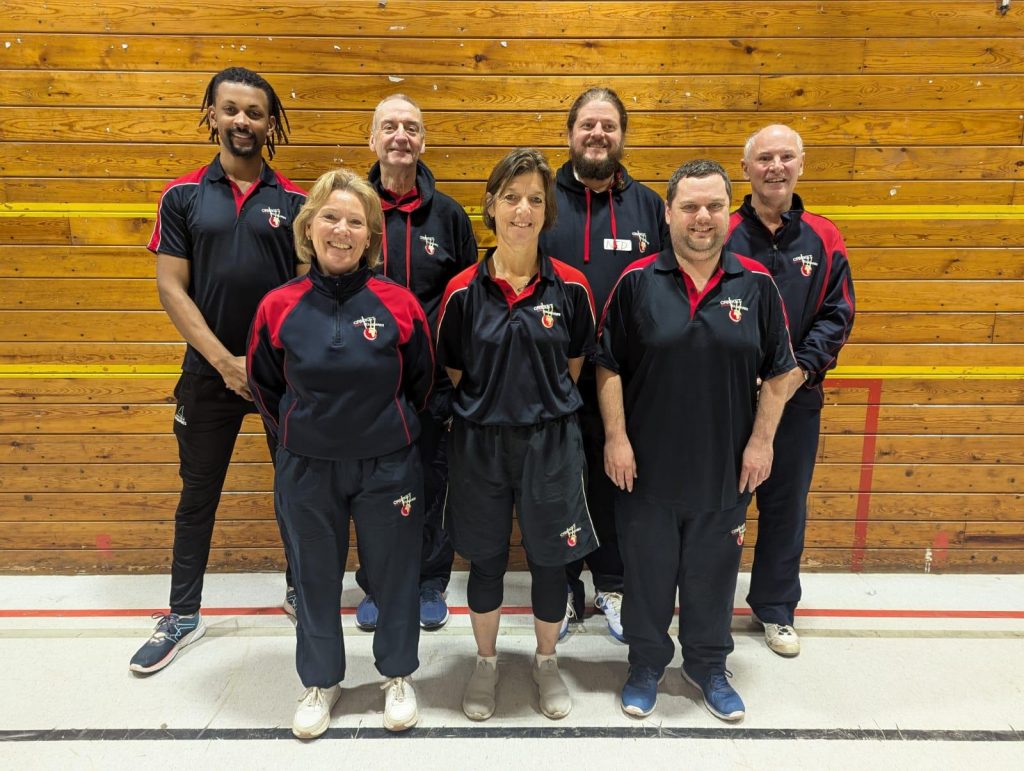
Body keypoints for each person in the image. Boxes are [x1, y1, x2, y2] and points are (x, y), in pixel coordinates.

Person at [596, 160, 804, 721]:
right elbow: (608, 366)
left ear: (728, 213)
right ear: (668, 214)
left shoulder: (757, 285)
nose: (702, 217)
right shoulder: (637, 281)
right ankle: (645, 665)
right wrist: (616, 437)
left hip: (725, 470)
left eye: (714, 205)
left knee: (713, 577)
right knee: (646, 576)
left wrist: (761, 444)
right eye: (689, 206)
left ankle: (708, 664)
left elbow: (781, 372)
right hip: (646, 470)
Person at [130, 67, 306, 675]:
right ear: (211, 114)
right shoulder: (182, 196)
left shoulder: (296, 204)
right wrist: (224, 361)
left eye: (255, 113)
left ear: (270, 124)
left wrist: (262, 364)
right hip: (209, 375)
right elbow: (172, 288)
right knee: (197, 496)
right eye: (230, 109)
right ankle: (182, 615)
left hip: (280, 377)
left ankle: (299, 592)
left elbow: (305, 295)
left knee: (297, 492)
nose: (242, 122)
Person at [247, 168, 433, 738]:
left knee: (396, 573)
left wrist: (385, 429)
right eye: (330, 217)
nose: (342, 230)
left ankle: (397, 674)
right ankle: (321, 679)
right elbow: (264, 384)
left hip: (389, 465)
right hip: (307, 467)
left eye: (356, 221)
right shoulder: (278, 305)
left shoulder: (399, 304)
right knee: (314, 575)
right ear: (309, 227)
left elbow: (422, 382)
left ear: (372, 236)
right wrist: (305, 431)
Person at [436, 148, 598, 721]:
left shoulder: (572, 288)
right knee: (484, 562)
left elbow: (574, 363)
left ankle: (546, 663)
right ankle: (485, 663)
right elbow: (455, 369)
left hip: (551, 443)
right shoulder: (461, 291)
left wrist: (535, 404)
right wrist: (496, 402)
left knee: (551, 562)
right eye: (511, 198)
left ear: (547, 210)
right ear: (491, 206)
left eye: (534, 199)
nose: (522, 210)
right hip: (479, 443)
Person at [538, 87, 669, 641]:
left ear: (622, 136)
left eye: (609, 125)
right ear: (570, 133)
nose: (598, 134)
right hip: (552, 376)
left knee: (621, 484)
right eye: (588, 124)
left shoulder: (646, 206)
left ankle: (613, 585)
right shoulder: (542, 198)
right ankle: (567, 588)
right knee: (560, 484)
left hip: (628, 381)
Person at [725, 125, 855, 658]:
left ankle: (776, 609)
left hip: (797, 400)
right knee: (723, 507)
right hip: (729, 401)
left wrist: (797, 372)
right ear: (746, 166)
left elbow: (838, 313)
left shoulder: (824, 238)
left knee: (786, 506)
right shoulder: (723, 231)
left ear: (801, 164)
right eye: (763, 158)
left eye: (784, 157)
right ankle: (708, 603)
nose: (774, 167)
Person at [356, 94, 478, 632]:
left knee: (432, 483)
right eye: (390, 126)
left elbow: (473, 301)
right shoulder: (352, 209)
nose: (400, 135)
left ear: (423, 141)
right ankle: (379, 584)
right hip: (364, 388)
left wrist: (459, 377)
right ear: (373, 139)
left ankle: (431, 580)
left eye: (411, 127)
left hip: (432, 387)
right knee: (371, 487)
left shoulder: (449, 217)